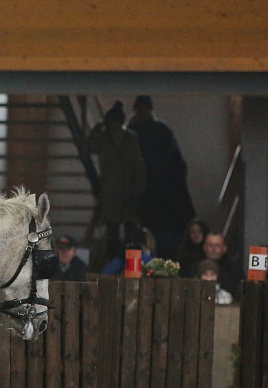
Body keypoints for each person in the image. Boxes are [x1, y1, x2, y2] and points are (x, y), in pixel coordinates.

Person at [127, 95, 195, 259]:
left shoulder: (138, 131)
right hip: (152, 191)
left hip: (159, 192)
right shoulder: (151, 130)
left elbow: (176, 161)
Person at [88, 101, 146, 262]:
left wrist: (137, 190)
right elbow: (90, 146)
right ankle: (116, 260)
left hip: (123, 190)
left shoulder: (129, 139)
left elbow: (139, 167)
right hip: (113, 191)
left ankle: (125, 261)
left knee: (127, 230)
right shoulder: (106, 139)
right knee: (114, 229)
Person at [201, 232, 242, 296]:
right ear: (204, 247)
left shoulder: (235, 271)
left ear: (224, 248)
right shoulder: (195, 268)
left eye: (217, 245)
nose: (213, 248)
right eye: (210, 245)